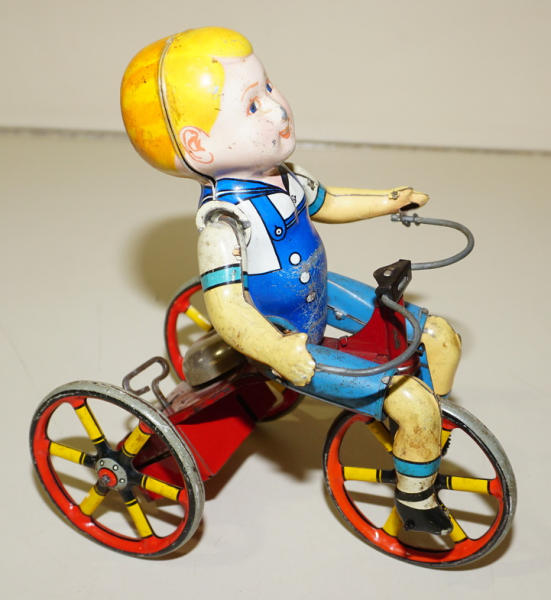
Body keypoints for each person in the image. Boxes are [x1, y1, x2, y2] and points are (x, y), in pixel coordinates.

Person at [121, 26, 462, 534]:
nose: (278, 109)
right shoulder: (224, 225)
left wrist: (389, 201)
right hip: (283, 336)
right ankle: (417, 499)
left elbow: (333, 202)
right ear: (198, 145)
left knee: (439, 336)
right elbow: (227, 311)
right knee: (411, 402)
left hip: (320, 295)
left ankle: (427, 436)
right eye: (252, 105)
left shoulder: (288, 178)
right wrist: (277, 353)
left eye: (269, 87)